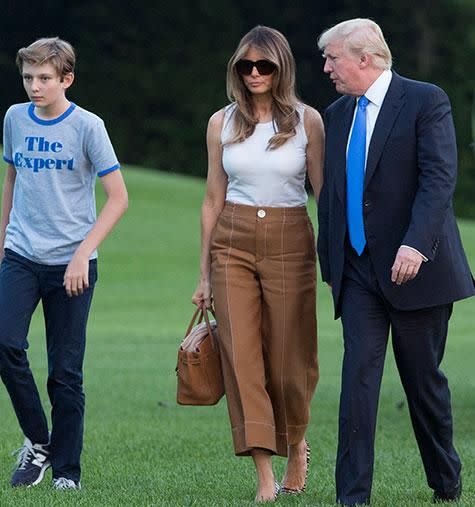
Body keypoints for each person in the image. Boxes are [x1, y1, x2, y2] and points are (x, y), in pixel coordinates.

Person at [317, 18, 475, 506]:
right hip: (359, 272)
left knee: (423, 383)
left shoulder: (426, 100)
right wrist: (331, 262)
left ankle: (445, 483)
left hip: (417, 269)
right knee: (357, 380)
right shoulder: (337, 114)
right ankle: (353, 496)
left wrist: (415, 245)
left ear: (364, 58)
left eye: (332, 58)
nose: (326, 68)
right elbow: (334, 195)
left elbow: (438, 180)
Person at [0, 37, 128, 490]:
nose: (34, 86)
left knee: (65, 374)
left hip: (73, 264)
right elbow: (12, 178)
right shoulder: (15, 118)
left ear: (66, 79)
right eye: (29, 77)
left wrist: (83, 253)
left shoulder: (88, 127)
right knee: (4, 343)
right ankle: (38, 442)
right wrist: (3, 240)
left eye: (44, 78)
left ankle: (67, 472)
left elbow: (118, 198)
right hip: (22, 255)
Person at [192, 25, 324, 503]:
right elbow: (211, 199)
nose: (253, 73)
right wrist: (203, 273)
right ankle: (264, 477)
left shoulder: (308, 121)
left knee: (291, 361)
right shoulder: (220, 123)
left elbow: (322, 194)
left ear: (281, 67)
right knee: (242, 359)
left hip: (291, 237)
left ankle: (296, 441)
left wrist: (337, 257)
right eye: (245, 66)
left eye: (263, 65)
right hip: (232, 241)